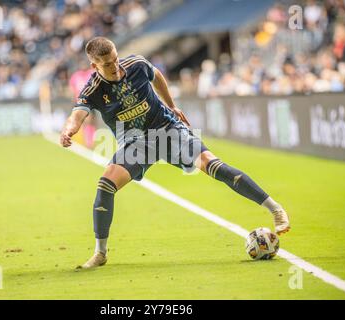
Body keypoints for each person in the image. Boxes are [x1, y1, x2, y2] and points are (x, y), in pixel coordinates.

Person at [60, 37, 290, 269]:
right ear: (94, 66)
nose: (115, 67)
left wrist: (171, 105)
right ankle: (100, 253)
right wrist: (69, 130)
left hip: (168, 129)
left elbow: (157, 76)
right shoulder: (93, 89)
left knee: (213, 165)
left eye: (116, 59)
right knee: (105, 185)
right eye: (108, 64)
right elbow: (77, 115)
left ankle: (275, 209)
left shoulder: (136, 65)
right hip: (136, 143)